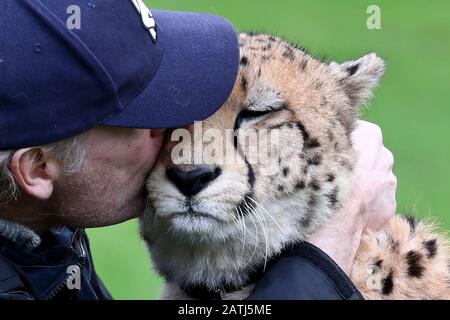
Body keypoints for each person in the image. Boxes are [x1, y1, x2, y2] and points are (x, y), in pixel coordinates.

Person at [0, 0, 396, 300]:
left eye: (178, 97)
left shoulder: (42, 240)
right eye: (152, 113)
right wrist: (334, 241)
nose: (188, 154)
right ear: (37, 169)